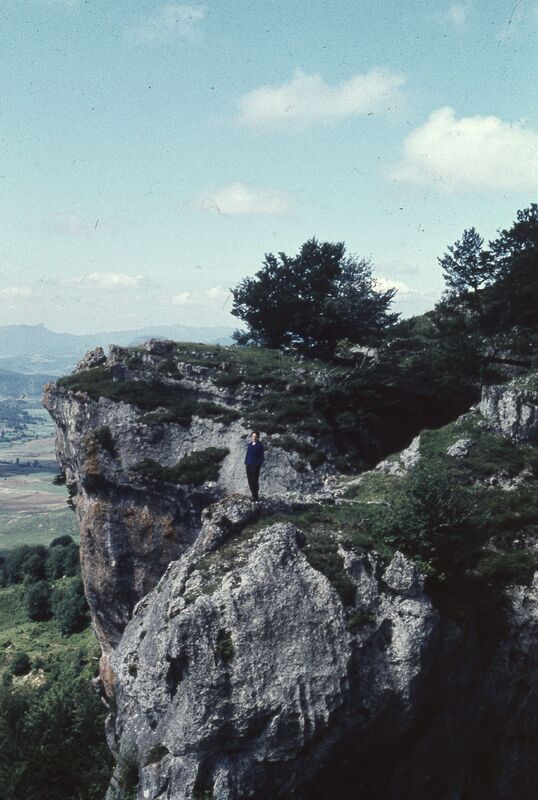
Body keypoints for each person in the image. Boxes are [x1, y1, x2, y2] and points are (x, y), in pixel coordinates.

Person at [245, 430, 264, 501]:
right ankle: (253, 494)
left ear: (258, 437)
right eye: (253, 436)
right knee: (249, 480)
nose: (254, 438)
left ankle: (255, 496)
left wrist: (257, 465)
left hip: (255, 466)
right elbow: (247, 454)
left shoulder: (260, 446)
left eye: (255, 436)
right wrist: (246, 461)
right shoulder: (250, 444)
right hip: (248, 464)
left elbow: (261, 457)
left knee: (254, 480)